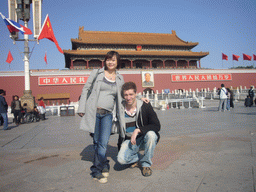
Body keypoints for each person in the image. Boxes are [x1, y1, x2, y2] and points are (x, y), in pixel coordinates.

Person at [77, 51, 149, 184]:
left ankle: (96, 170)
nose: (111, 62)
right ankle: (103, 165)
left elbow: (125, 94)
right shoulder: (97, 73)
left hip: (107, 115)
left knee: (103, 143)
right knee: (97, 142)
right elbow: (85, 89)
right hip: (94, 112)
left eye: (114, 60)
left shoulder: (119, 78)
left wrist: (139, 97)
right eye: (109, 59)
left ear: (117, 62)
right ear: (105, 61)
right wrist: (81, 108)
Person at [117, 82, 160, 177]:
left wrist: (138, 130)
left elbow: (157, 125)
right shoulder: (120, 108)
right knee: (121, 160)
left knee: (151, 135)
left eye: (131, 94)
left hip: (143, 139)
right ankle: (137, 159)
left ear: (136, 94)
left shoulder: (145, 106)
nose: (128, 98)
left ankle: (146, 164)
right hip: (128, 140)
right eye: (126, 95)